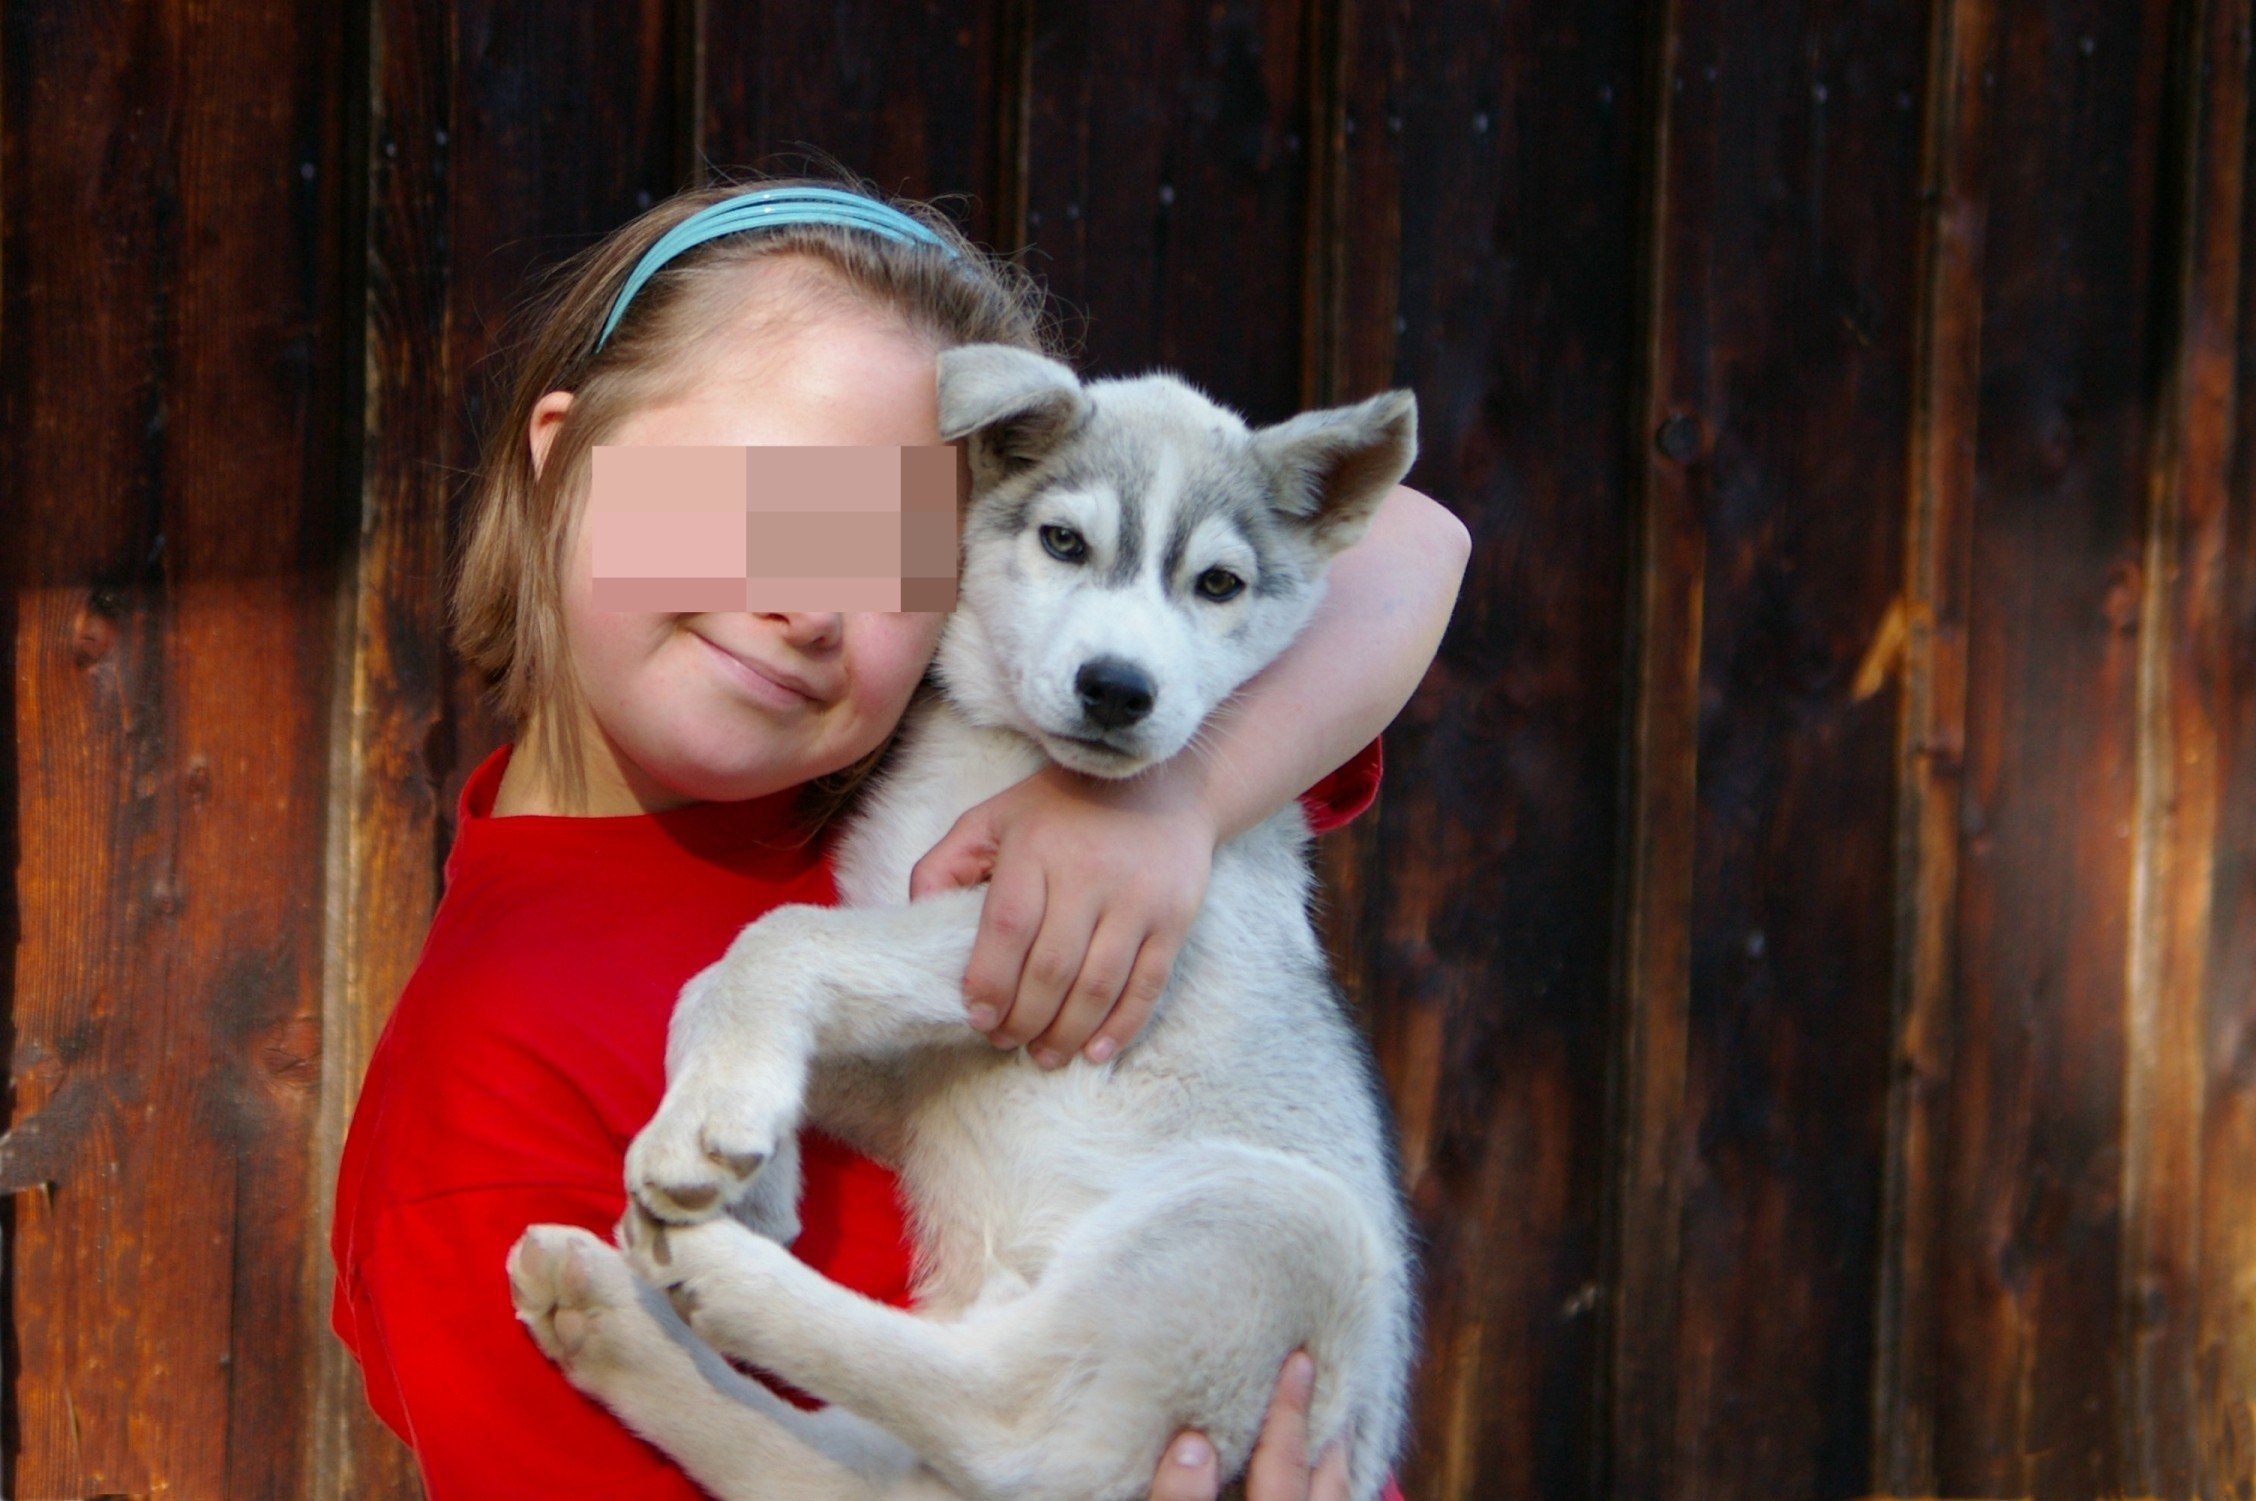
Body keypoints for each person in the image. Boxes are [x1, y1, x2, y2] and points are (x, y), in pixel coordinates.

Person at [329, 169, 1470, 1500]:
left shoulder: (996, 768)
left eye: (892, 551)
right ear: (567, 456)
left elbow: (1410, 537)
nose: (811, 604)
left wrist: (1173, 804)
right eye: (755, 499)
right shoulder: (482, 1099)